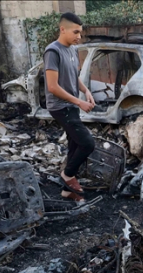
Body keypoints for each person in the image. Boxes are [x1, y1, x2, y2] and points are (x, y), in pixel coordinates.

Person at [44, 12, 96, 203]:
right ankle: (67, 175)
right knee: (87, 143)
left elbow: (74, 77)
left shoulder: (73, 50)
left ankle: (67, 192)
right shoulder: (53, 51)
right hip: (60, 106)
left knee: (75, 144)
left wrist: (86, 91)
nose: (79, 37)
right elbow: (52, 86)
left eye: (80, 33)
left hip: (71, 105)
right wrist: (79, 102)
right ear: (62, 29)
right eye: (76, 32)